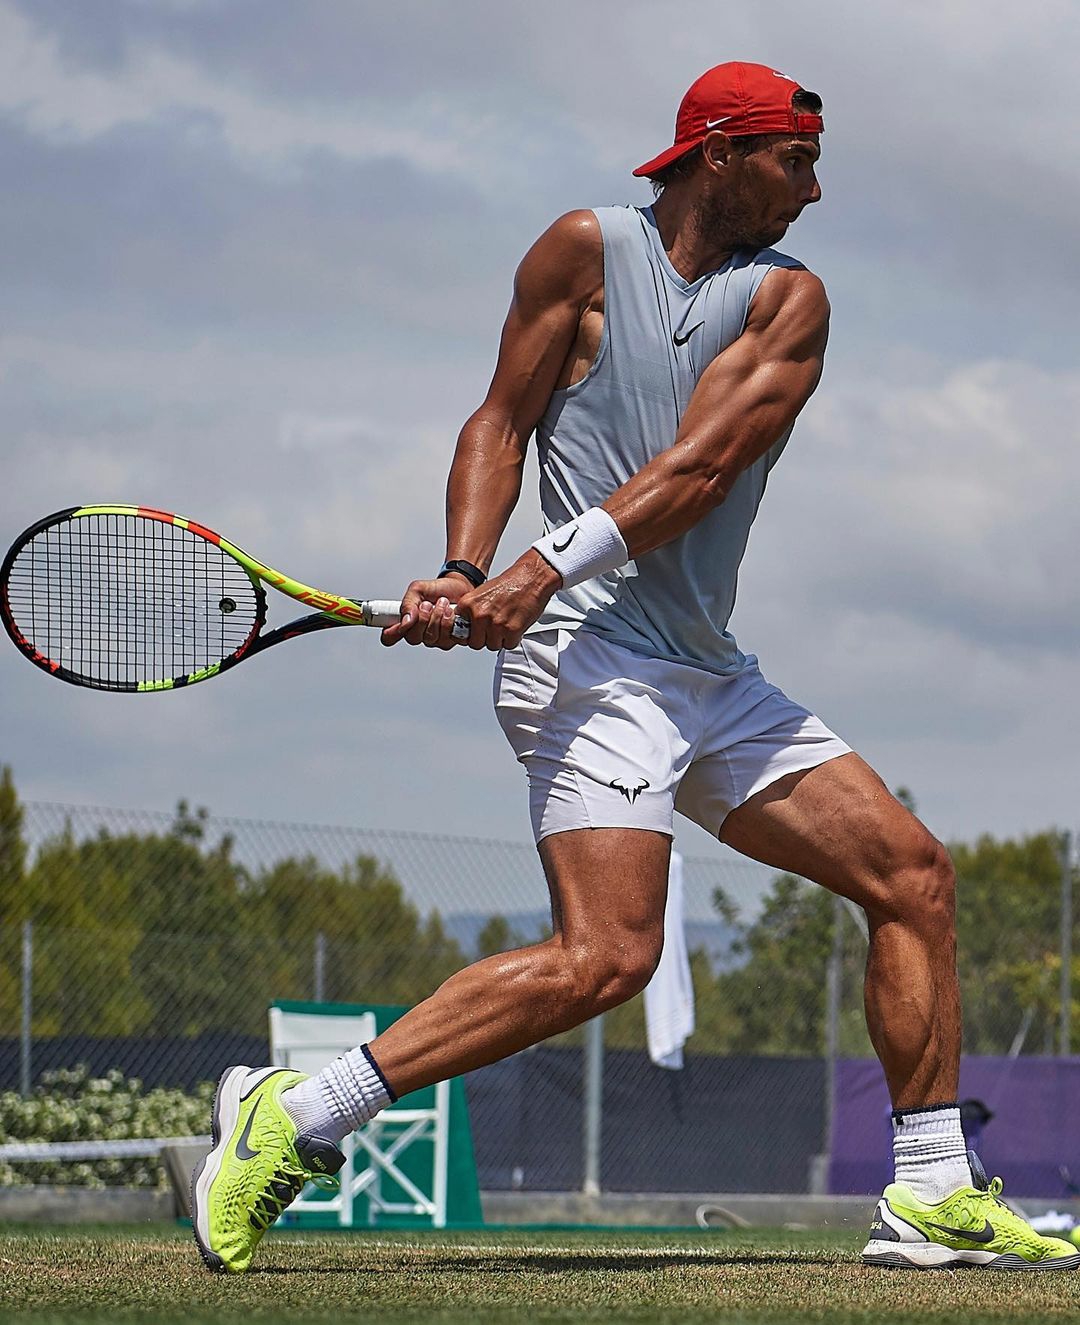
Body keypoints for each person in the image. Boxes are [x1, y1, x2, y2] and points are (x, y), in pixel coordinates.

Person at [191, 61, 1078, 1274]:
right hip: (585, 662)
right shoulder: (578, 253)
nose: (814, 192)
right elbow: (499, 421)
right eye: (795, 161)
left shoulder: (790, 303)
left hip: (702, 665)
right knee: (609, 954)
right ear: (719, 152)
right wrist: (462, 565)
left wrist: (536, 564)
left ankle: (930, 1187)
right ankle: (295, 1112)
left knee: (913, 877)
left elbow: (701, 471)